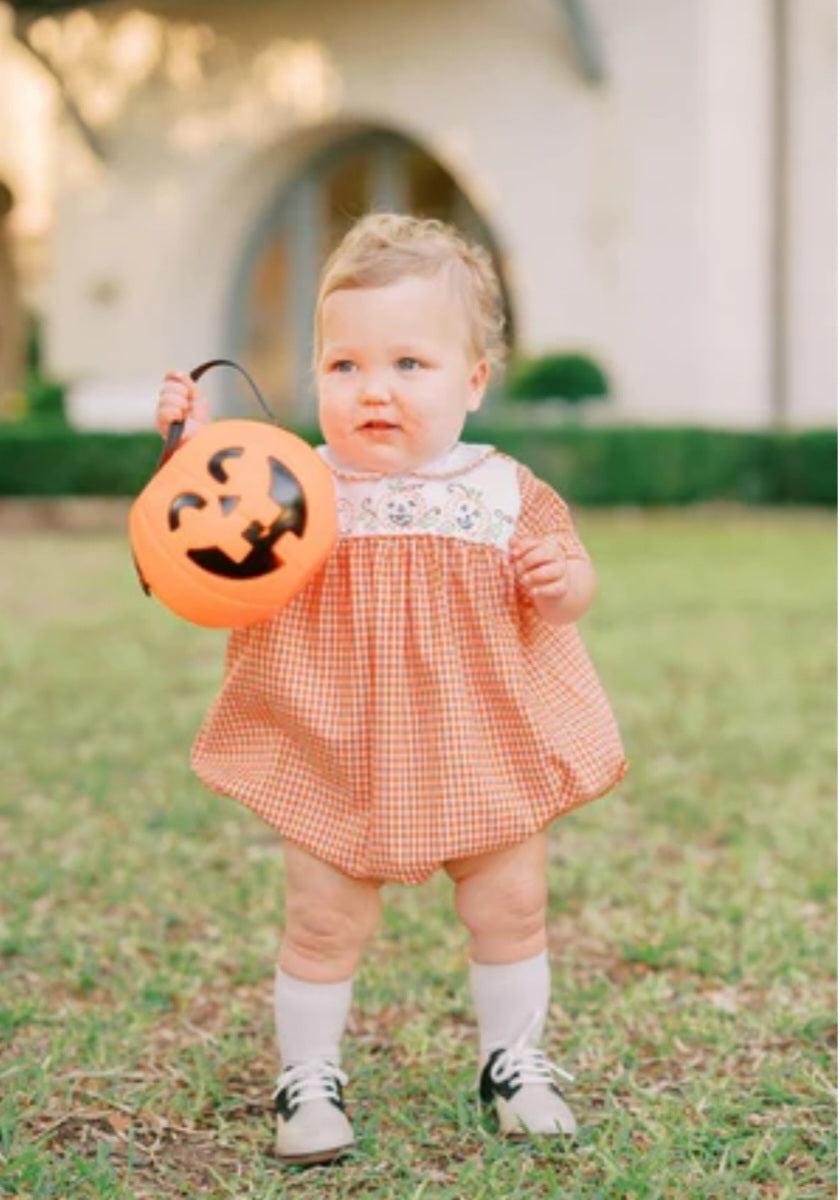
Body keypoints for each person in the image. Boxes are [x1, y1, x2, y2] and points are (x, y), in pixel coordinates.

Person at [155, 213, 627, 1165]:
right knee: (322, 919)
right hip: (336, 744)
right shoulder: (290, 484)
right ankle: (309, 1077)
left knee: (511, 906)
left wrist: (560, 582)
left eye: (409, 364)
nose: (375, 390)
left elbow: (572, 579)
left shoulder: (504, 488)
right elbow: (197, 542)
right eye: (345, 366)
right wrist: (188, 449)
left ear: (473, 380)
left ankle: (514, 1060)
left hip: (479, 740)